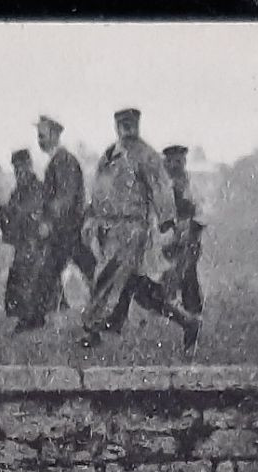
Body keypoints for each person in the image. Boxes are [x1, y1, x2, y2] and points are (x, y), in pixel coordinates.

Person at [78, 108, 199, 352]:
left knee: (107, 275)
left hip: (133, 229)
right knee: (144, 292)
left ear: (138, 124)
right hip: (109, 228)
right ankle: (188, 322)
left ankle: (92, 329)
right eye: (122, 124)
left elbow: (161, 187)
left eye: (131, 123)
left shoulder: (146, 155)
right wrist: (90, 218)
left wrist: (167, 221)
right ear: (116, 126)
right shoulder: (109, 155)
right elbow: (98, 191)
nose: (127, 128)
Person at [21, 115, 96, 328]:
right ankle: (33, 318)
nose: (40, 141)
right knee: (82, 269)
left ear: (55, 135)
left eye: (43, 136)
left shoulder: (63, 161)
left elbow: (65, 197)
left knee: (49, 271)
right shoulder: (59, 160)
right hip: (68, 228)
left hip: (67, 229)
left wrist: (49, 222)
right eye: (39, 136)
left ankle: (33, 319)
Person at [0, 150, 47, 322]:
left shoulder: (39, 189)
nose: (19, 173)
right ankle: (23, 313)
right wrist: (4, 214)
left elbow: (36, 213)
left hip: (37, 245)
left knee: (35, 279)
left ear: (29, 166)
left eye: (22, 168)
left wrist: (16, 214)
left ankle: (34, 313)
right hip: (23, 244)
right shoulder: (17, 193)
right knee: (19, 280)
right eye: (16, 169)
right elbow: (13, 217)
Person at [158, 145, 205, 316]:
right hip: (167, 236)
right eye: (170, 162)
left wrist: (190, 229)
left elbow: (199, 211)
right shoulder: (161, 185)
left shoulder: (190, 184)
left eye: (178, 161)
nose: (174, 165)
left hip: (188, 236)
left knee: (187, 273)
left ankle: (192, 309)